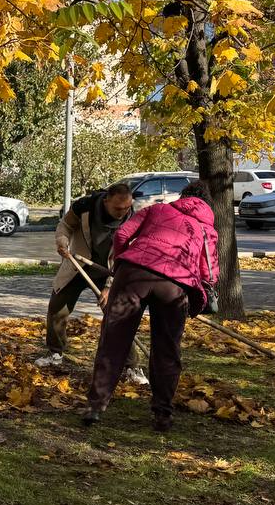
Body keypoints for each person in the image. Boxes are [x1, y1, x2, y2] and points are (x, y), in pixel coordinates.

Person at [84, 180, 218, 432]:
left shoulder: (157, 210)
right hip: (175, 287)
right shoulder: (206, 230)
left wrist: (120, 265)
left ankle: (95, 407)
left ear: (182, 197)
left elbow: (123, 234)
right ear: (207, 204)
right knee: (167, 349)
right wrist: (202, 292)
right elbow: (209, 272)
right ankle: (162, 415)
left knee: (113, 341)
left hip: (133, 276)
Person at [35, 183, 147, 385]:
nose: (123, 212)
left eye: (127, 207)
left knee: (118, 318)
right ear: (106, 201)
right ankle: (55, 354)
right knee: (57, 309)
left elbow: (126, 258)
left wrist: (109, 286)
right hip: (78, 265)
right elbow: (66, 225)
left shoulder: (133, 219)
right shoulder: (85, 206)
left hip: (111, 272)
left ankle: (132, 367)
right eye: (118, 208)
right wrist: (62, 240)